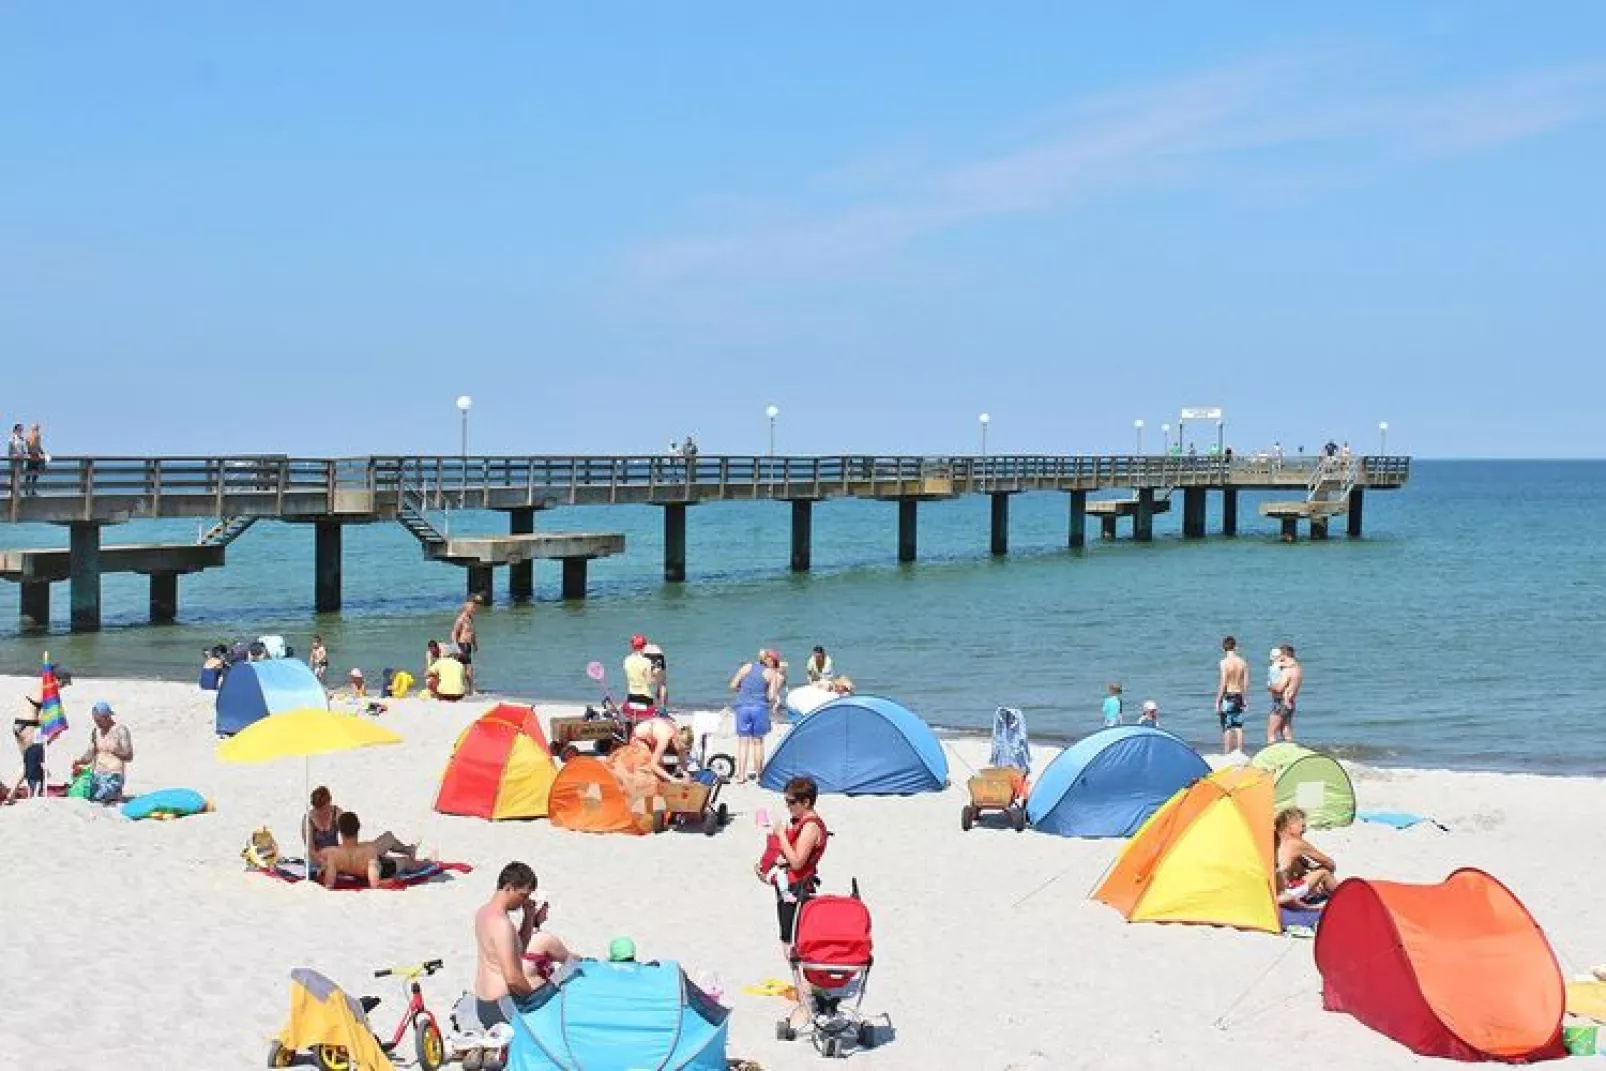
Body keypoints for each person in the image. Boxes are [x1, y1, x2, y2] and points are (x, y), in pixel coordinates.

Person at [473, 862, 576, 1029]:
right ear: (508, 887)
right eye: (523, 895)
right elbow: (513, 979)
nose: (524, 901)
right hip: (502, 1007)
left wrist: (528, 917)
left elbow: (518, 950)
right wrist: (536, 999)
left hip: (484, 1004)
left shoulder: (483, 913)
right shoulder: (502, 924)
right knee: (558, 998)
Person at [756, 776, 827, 957]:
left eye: (792, 802)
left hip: (798, 888)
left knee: (791, 943)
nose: (788, 806)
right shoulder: (802, 822)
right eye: (786, 801)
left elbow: (797, 862)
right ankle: (803, 983)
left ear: (806, 802)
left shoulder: (811, 826)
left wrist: (781, 835)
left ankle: (803, 985)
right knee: (789, 938)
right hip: (792, 885)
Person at [317, 810, 426, 889]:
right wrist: (392, 881)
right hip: (380, 867)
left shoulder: (331, 853)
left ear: (340, 831)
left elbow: (328, 884)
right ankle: (426, 862)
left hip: (358, 857)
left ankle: (409, 850)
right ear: (358, 828)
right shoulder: (369, 851)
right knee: (405, 862)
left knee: (388, 837)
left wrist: (322, 867)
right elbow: (374, 882)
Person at [730, 650, 782, 782]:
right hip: (759, 708)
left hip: (742, 706)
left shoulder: (747, 667)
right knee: (758, 742)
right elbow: (771, 696)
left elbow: (733, 685)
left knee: (743, 742)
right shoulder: (772, 674)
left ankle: (741, 775)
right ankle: (759, 775)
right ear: (770, 661)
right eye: (775, 662)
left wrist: (744, 691)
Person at [1275, 807, 1337, 906]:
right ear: (1290, 826)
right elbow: (1330, 864)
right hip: (1285, 894)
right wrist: (1316, 877)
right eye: (1302, 826)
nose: (1304, 830)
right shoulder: (1295, 843)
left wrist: (1311, 876)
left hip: (1271, 892)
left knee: (1300, 866)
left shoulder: (1275, 840)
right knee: (1324, 873)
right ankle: (1346, 896)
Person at [72, 701, 132, 803]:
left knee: (99, 796)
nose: (97, 723)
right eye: (95, 721)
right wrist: (80, 761)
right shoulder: (96, 731)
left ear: (107, 717)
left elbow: (129, 756)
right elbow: (91, 753)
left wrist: (115, 751)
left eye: (99, 720)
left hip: (114, 775)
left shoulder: (120, 730)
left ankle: (116, 793)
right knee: (84, 794)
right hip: (98, 775)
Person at [628, 716, 694, 783]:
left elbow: (682, 760)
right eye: (681, 748)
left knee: (661, 771)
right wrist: (673, 779)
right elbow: (653, 765)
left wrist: (686, 775)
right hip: (639, 739)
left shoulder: (680, 738)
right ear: (676, 740)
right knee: (650, 770)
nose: (681, 751)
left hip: (653, 740)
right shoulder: (665, 737)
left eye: (684, 749)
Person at [1215, 635, 1249, 755]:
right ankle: (1240, 752)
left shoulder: (1223, 663)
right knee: (1238, 727)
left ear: (1223, 648)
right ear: (1235, 647)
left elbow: (1223, 682)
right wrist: (1244, 698)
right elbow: (1245, 683)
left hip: (1228, 696)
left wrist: (1217, 700)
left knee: (1227, 727)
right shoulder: (1242, 662)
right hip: (1239, 695)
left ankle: (1227, 753)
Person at [10, 698, 45, 801]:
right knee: (30, 762)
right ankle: (13, 792)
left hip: (19, 723)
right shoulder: (48, 690)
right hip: (29, 725)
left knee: (27, 761)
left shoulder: (37, 688)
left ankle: (12, 792)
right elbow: (43, 715)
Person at [1270, 645, 1302, 742]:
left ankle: (1272, 755)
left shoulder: (1287, 671)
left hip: (1282, 702)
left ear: (1283, 655)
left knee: (1271, 733)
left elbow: (1279, 688)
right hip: (1290, 702)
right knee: (1285, 729)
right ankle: (1290, 752)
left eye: (1280, 655)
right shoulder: (1298, 669)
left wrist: (1270, 686)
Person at [302, 785, 342, 858]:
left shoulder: (337, 813)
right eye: (317, 808)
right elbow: (310, 849)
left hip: (334, 857)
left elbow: (348, 839)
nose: (320, 812)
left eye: (323, 808)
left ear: (329, 802)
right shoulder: (308, 819)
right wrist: (322, 862)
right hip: (315, 859)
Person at [622, 634, 659, 712]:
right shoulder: (647, 662)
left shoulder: (627, 660)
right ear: (644, 646)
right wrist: (655, 674)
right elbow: (650, 681)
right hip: (645, 699)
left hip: (631, 697)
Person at [451, 599, 479, 694]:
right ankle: (471, 689)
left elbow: (472, 633)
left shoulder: (470, 618)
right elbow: (454, 633)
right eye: (471, 608)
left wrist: (475, 644)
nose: (474, 610)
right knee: (467, 668)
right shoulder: (461, 619)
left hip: (468, 645)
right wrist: (456, 646)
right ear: (465, 608)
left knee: (465, 668)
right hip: (461, 645)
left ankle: (465, 688)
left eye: (474, 608)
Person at [642, 642, 669, 709]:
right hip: (659, 655)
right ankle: (663, 708)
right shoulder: (655, 647)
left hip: (646, 655)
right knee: (662, 684)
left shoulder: (641, 649)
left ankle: (648, 706)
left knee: (645, 683)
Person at [23, 423, 45, 495]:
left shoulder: (29, 436)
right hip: (34, 456)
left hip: (31, 456)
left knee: (30, 474)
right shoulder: (35, 436)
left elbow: (34, 446)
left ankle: (28, 490)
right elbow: (36, 446)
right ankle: (31, 490)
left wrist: (41, 452)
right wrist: (41, 452)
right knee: (33, 474)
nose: (38, 430)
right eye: (37, 428)